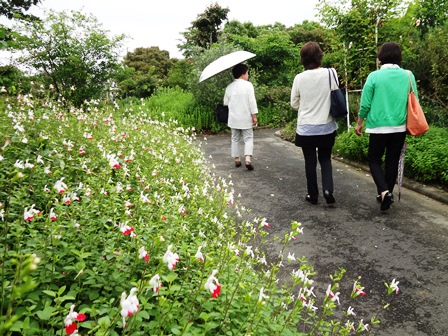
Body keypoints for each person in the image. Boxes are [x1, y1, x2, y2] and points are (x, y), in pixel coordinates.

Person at [355, 41, 417, 211]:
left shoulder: (374, 76)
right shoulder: (408, 76)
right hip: (400, 127)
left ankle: (384, 192)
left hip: (378, 127)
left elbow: (365, 104)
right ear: (399, 57)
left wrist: (359, 123)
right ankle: (386, 193)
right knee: (392, 161)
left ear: (381, 57)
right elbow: (414, 101)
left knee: (374, 159)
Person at [290, 42, 338, 205]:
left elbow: (294, 103)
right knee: (325, 159)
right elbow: (335, 95)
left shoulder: (299, 78)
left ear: (303, 59)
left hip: (306, 128)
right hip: (326, 126)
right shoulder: (331, 73)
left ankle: (313, 195)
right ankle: (328, 190)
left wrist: (305, 106)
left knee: (310, 161)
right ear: (320, 56)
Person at [224, 63, 258, 170]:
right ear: (243, 74)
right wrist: (254, 116)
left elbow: (225, 102)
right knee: (248, 138)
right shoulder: (248, 85)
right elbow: (252, 102)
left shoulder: (229, 87)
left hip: (234, 118)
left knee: (235, 138)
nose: (248, 75)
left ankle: (237, 159)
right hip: (245, 118)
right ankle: (247, 159)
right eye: (247, 72)